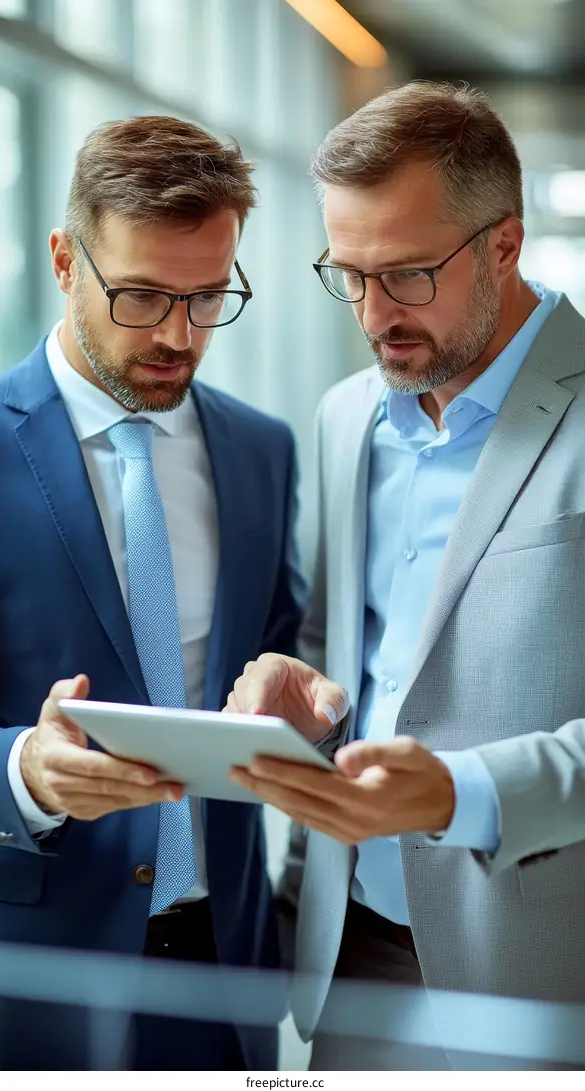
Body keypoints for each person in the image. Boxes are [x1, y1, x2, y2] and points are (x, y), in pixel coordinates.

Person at [226, 81, 585, 1071]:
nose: (376, 315)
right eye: (350, 275)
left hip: (539, 971)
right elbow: (342, 646)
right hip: (351, 954)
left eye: (409, 275)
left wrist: (457, 792)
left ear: (505, 246)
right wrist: (298, 692)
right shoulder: (347, 416)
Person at [0, 115, 307, 1071]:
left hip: (227, 974)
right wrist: (22, 774)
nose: (178, 334)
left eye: (210, 297)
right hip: (37, 979)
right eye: (141, 296)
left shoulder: (261, 449)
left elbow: (279, 655)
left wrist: (310, 700)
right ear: (63, 261)